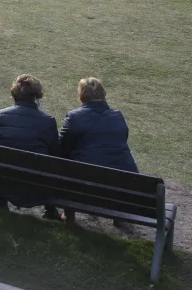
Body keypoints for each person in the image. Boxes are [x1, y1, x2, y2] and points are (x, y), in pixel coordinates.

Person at [59, 77, 138, 222]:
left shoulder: (74, 118)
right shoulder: (118, 117)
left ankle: (69, 215)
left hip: (84, 188)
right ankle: (117, 216)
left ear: (81, 96)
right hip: (120, 188)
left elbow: (62, 150)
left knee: (66, 165)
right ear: (103, 95)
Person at [0, 74, 60, 219]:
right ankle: (51, 210)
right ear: (36, 96)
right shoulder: (48, 122)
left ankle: (2, 201)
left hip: (2, 180)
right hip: (35, 184)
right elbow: (54, 154)